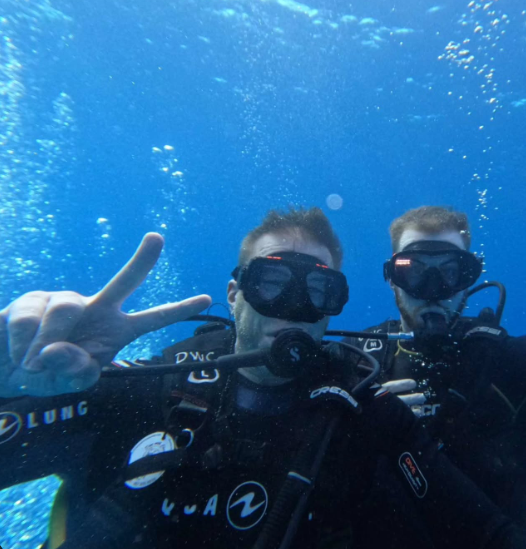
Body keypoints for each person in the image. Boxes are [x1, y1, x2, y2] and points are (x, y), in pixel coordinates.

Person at [1, 207, 525, 549]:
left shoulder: (362, 410)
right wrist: (10, 380)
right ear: (234, 294)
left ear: (332, 308)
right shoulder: (148, 389)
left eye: (320, 291)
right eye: (273, 282)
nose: (296, 307)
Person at [348, 205, 526, 526]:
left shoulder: (505, 359)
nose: (433, 290)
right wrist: (355, 425)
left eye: (450, 271)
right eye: (413, 270)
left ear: (466, 282)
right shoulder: (356, 362)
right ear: (393, 280)